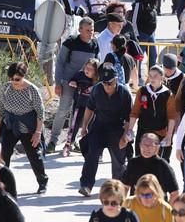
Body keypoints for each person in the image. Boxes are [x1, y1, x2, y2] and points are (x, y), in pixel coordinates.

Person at [0, 62, 48, 194]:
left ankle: (42, 182)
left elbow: (40, 113)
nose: (14, 82)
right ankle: (2, 183)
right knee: (3, 154)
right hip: (10, 125)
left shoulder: (31, 90)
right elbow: (1, 105)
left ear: (24, 76)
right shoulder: (6, 88)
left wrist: (38, 132)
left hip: (28, 127)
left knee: (34, 156)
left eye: (17, 79)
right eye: (11, 79)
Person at [79, 67, 133, 196]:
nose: (107, 86)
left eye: (110, 83)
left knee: (118, 160)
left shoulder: (124, 93)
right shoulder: (97, 90)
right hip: (99, 126)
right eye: (104, 83)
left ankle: (117, 189)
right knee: (91, 155)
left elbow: (129, 118)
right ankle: (86, 185)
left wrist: (125, 136)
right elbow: (89, 108)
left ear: (116, 79)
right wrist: (84, 126)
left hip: (117, 128)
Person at [49, 18, 99, 152]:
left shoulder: (95, 44)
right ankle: (53, 141)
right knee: (63, 110)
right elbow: (60, 62)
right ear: (80, 29)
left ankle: (72, 141)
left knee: (79, 114)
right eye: (88, 30)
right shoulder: (70, 42)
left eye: (92, 29)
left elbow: (96, 65)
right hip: (68, 82)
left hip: (85, 87)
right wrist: (58, 82)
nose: (91, 32)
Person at [127, 67, 175, 159]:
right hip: (143, 131)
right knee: (140, 160)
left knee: (158, 162)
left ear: (162, 77)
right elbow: (135, 112)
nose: (152, 78)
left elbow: (171, 117)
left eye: (155, 76)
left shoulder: (168, 94)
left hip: (160, 132)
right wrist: (130, 130)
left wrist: (169, 136)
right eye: (150, 76)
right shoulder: (142, 91)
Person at [122, 135, 179, 202]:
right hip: (136, 205)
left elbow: (175, 193)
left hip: (157, 206)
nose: (147, 148)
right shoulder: (133, 163)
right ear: (140, 145)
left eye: (150, 146)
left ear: (157, 147)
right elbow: (125, 187)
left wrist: (168, 210)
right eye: (144, 145)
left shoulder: (163, 165)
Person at [63, 58, 100, 155]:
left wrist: (93, 88)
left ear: (95, 71)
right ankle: (69, 142)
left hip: (92, 107)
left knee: (91, 125)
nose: (87, 70)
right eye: (86, 68)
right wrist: (73, 82)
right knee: (74, 124)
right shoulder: (80, 75)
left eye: (91, 69)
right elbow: (72, 80)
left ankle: (90, 144)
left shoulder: (97, 80)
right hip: (79, 103)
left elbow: (101, 86)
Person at [132, 0, 159, 70]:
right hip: (141, 34)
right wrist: (136, 35)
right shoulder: (138, 4)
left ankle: (152, 73)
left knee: (153, 55)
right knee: (139, 57)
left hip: (150, 35)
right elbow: (134, 20)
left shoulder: (152, 6)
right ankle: (138, 75)